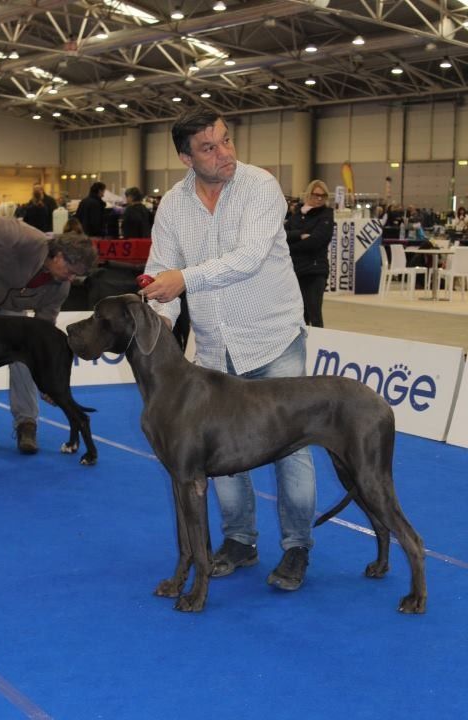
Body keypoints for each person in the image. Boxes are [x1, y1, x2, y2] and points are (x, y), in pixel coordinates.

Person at [140, 109, 316, 592]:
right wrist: (158, 322)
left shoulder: (260, 186)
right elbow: (160, 270)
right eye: (209, 147)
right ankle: (239, 541)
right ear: (186, 158)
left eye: (226, 140)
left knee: (292, 450)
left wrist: (182, 279)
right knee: (220, 453)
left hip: (274, 339)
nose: (224, 154)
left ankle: (297, 547)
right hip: (215, 348)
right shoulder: (172, 206)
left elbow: (248, 259)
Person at [0, 212, 98, 453]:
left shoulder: (61, 288)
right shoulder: (21, 237)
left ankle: (26, 423)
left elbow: (42, 330)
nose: (71, 279)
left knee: (26, 354)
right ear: (58, 256)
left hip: (10, 309)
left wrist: (49, 380)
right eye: (70, 271)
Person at [285, 180, 334, 327]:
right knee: (299, 315)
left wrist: (292, 245)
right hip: (296, 271)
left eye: (323, 196)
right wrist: (300, 235)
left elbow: (317, 241)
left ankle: (319, 341)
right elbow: (283, 236)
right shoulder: (297, 215)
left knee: (315, 314)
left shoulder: (326, 215)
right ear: (308, 194)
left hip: (315, 271)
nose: (319, 198)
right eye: (316, 195)